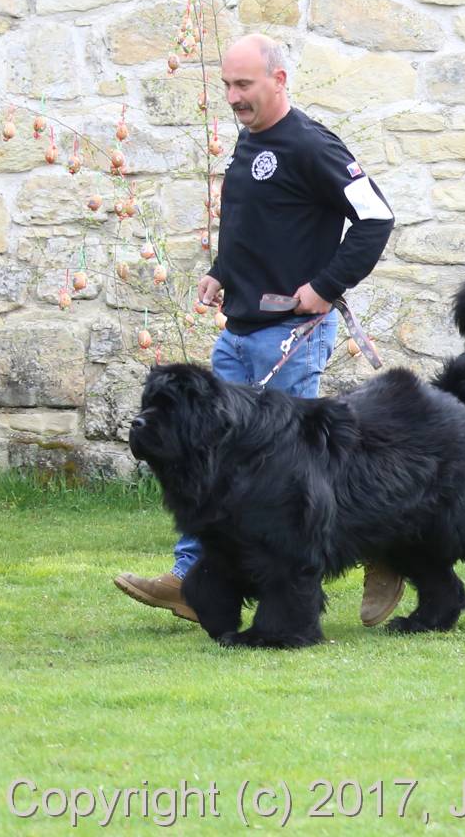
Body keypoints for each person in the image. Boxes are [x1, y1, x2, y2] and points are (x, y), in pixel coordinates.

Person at [114, 34, 404, 627]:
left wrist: (325, 285)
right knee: (205, 455)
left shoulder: (312, 145)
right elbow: (257, 226)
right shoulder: (250, 141)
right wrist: (221, 272)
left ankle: (387, 555)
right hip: (239, 332)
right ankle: (193, 580)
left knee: (297, 480)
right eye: (227, 85)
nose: (232, 96)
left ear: (279, 80)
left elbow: (377, 217)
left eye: (243, 84)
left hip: (290, 337)